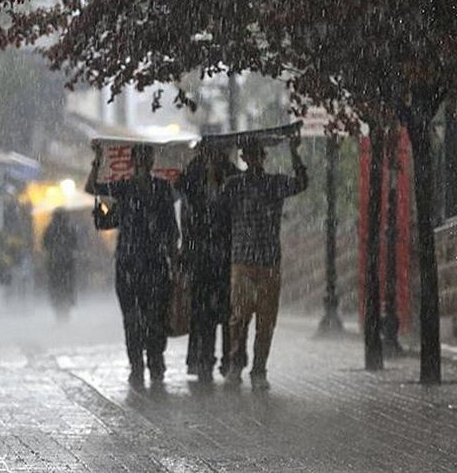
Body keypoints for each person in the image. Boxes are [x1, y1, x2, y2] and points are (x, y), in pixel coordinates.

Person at [85, 144, 179, 389]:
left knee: (155, 316)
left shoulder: (161, 189)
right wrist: (97, 160)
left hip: (155, 263)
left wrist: (174, 257)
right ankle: (137, 365)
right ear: (134, 161)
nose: (144, 163)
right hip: (129, 264)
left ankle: (155, 362)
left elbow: (170, 228)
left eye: (147, 158)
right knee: (132, 318)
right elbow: (92, 188)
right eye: (141, 158)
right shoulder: (124, 188)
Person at [223, 137, 308, 390]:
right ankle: (236, 364)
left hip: (268, 261)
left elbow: (301, 183)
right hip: (243, 261)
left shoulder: (274, 183)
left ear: (262, 157)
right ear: (244, 158)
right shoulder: (234, 185)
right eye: (249, 155)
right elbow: (215, 205)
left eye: (257, 155)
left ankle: (259, 369)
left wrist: (295, 153)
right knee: (239, 318)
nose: (254, 159)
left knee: (265, 320)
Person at [176, 146, 240, 383]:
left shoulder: (232, 175)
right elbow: (186, 209)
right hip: (201, 256)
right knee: (203, 313)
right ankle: (204, 360)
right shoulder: (193, 175)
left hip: (224, 256)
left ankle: (228, 360)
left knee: (227, 312)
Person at [42, 207, 78, 315]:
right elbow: (75, 244)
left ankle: (57, 306)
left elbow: (45, 244)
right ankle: (67, 305)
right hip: (67, 262)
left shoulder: (50, 228)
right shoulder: (69, 228)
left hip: (54, 262)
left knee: (55, 285)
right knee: (67, 284)